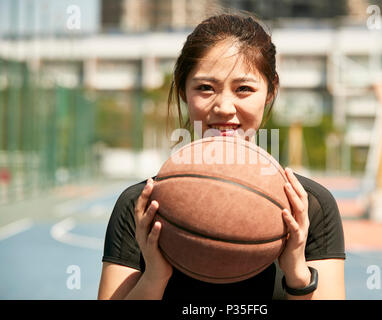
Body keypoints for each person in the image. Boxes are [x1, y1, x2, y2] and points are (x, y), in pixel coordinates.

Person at [97, 14, 345, 300]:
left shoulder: (311, 207)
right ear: (182, 91)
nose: (225, 107)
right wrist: (155, 276)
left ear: (270, 92)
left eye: (244, 89)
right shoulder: (140, 207)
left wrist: (297, 274)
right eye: (205, 88)